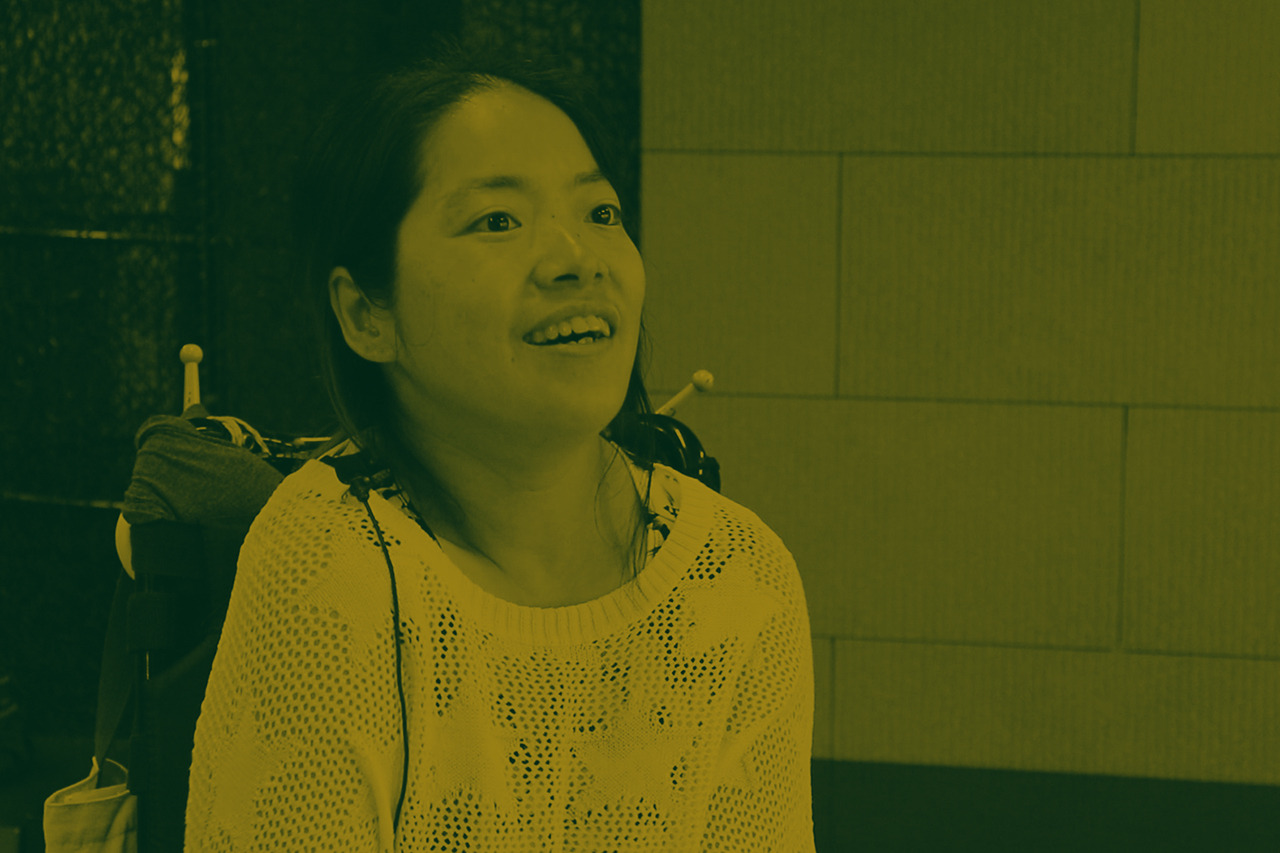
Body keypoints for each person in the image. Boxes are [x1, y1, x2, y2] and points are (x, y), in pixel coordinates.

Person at [184, 37, 815, 851]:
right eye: (497, 220)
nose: (577, 259)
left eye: (600, 213)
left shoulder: (737, 576)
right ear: (367, 314)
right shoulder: (332, 561)